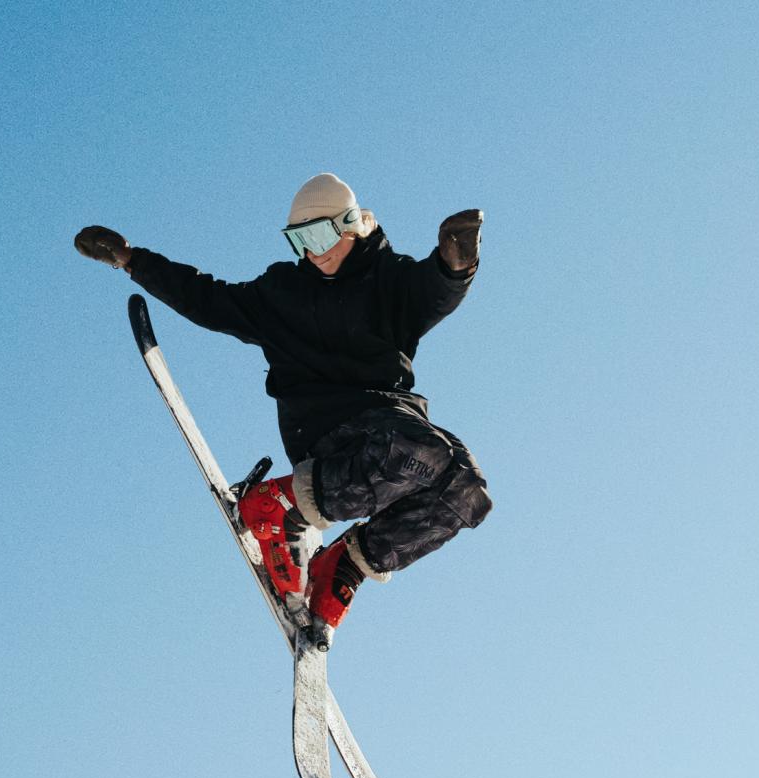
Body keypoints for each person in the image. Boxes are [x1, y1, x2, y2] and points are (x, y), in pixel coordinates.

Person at [75, 173, 492, 643]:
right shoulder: (283, 293)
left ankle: (346, 564)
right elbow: (207, 298)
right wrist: (132, 259)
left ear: (350, 225)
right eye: (301, 241)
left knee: (466, 490)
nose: (314, 253)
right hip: (322, 429)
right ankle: (279, 504)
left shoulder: (389, 279)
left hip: (389, 421)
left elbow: (433, 290)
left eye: (321, 236)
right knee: (418, 450)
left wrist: (456, 265)